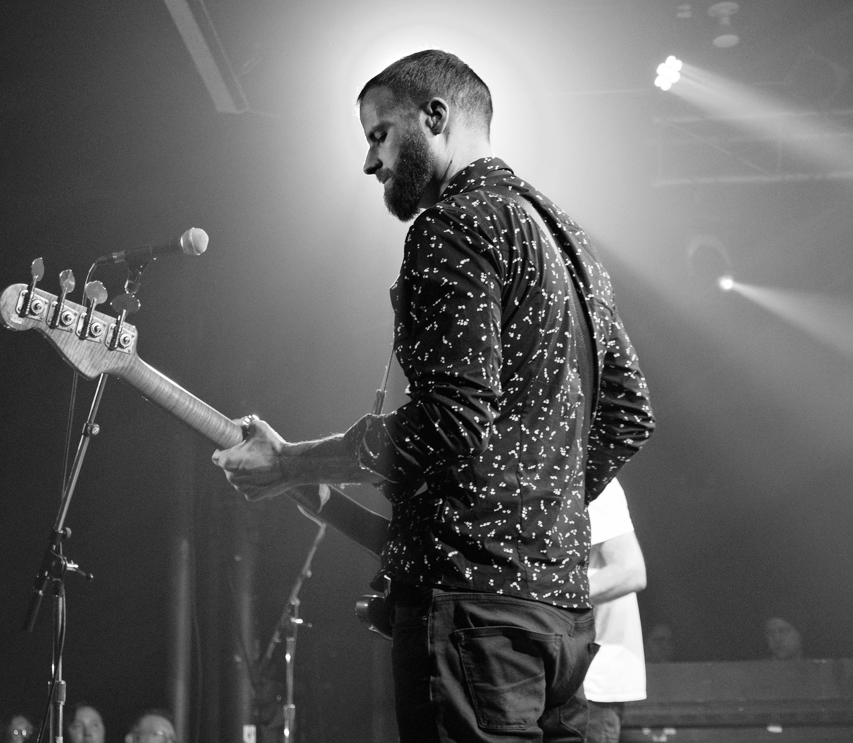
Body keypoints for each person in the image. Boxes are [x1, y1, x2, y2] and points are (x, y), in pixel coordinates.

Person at [213, 49, 655, 742]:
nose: (370, 163)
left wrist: (294, 461)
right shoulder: (569, 240)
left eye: (378, 134)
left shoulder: (455, 225)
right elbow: (628, 413)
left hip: (474, 622)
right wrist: (536, 511)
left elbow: (447, 422)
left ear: (435, 117)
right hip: (563, 623)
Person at [583, 479, 648, 743]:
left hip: (591, 683)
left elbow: (629, 571)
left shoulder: (593, 479)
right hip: (557, 676)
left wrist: (541, 595)